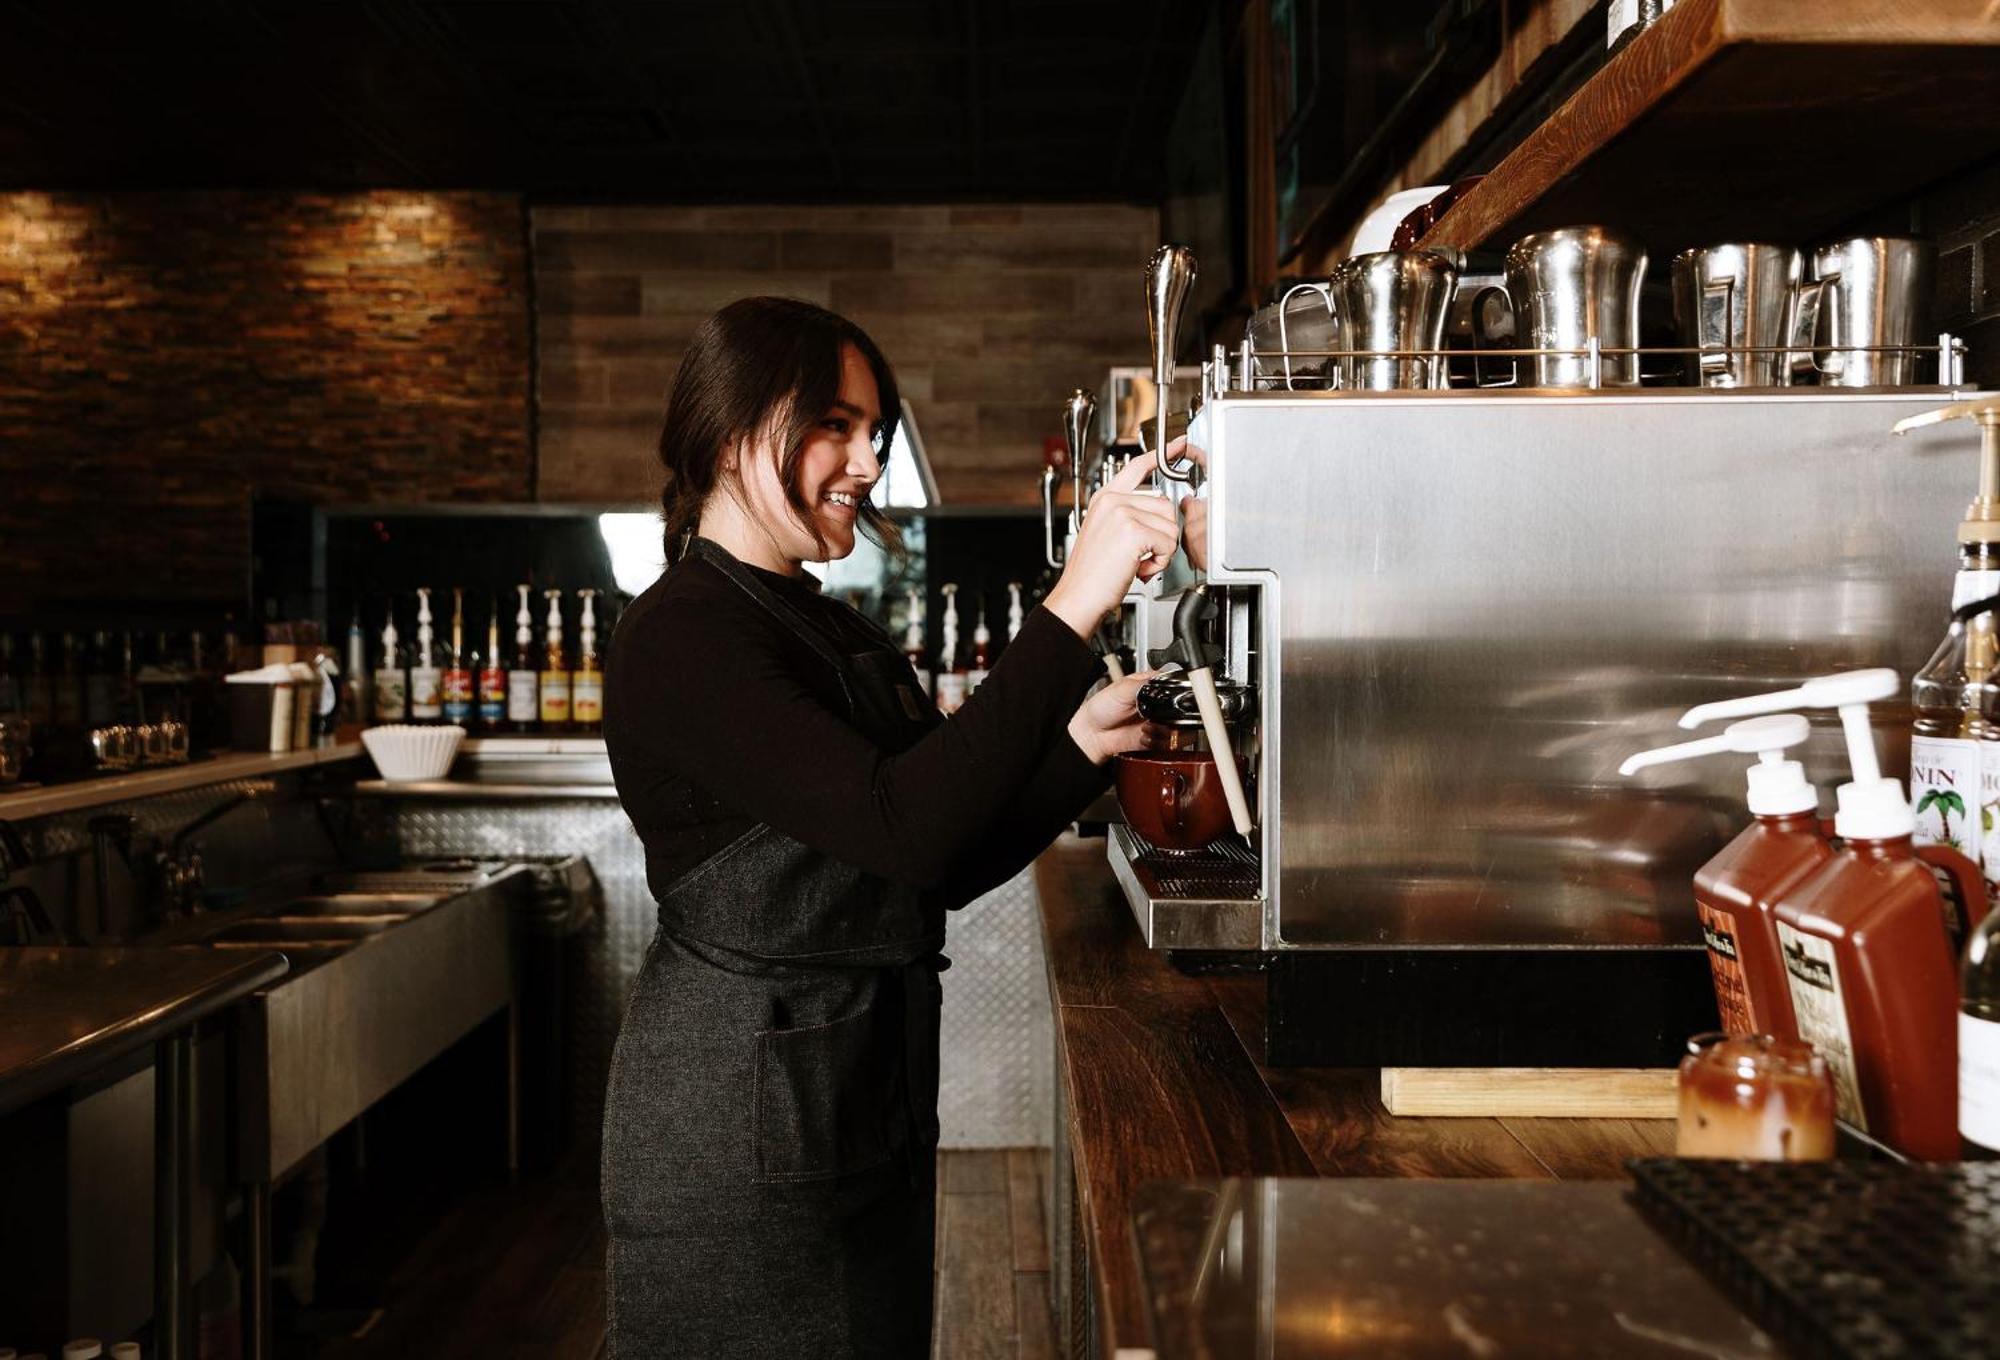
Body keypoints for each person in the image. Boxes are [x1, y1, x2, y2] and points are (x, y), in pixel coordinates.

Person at [600, 295, 1180, 1358]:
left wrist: (1078, 752)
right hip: (740, 1116)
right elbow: (906, 827)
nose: (867, 462)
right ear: (732, 432)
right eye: (834, 424)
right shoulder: (680, 632)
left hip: (855, 1086)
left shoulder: (819, 619)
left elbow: (931, 857)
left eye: (875, 431)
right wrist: (1071, 603)